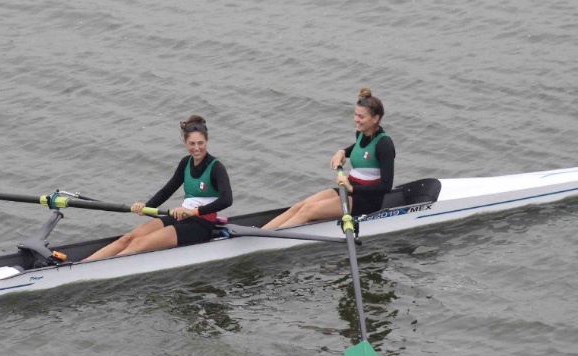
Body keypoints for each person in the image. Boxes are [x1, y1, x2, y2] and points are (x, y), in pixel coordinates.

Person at [83, 115, 232, 261]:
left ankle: (103, 269)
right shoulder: (185, 162)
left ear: (207, 140)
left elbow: (227, 200)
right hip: (180, 216)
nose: (197, 148)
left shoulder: (216, 167)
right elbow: (167, 191)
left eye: (200, 143)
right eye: (192, 144)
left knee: (138, 244)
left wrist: (193, 211)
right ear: (184, 142)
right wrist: (146, 207)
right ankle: (84, 265)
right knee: (128, 238)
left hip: (201, 224)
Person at [263, 87, 395, 229]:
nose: (356, 119)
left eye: (361, 117)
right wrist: (342, 152)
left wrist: (352, 189)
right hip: (349, 189)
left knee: (308, 211)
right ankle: (261, 234)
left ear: (375, 119)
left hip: (367, 200)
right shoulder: (362, 133)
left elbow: (386, 187)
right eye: (355, 114)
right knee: (300, 206)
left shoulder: (384, 144)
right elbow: (358, 148)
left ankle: (267, 242)